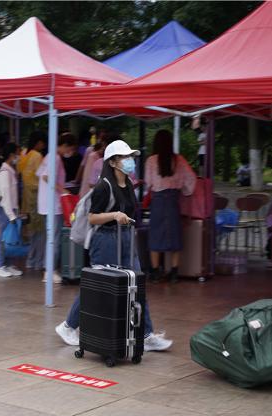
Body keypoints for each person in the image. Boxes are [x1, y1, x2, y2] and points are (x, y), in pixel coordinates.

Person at [55, 140, 173, 352]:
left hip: (125, 238)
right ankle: (68, 326)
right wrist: (115, 215)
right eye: (124, 157)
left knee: (137, 284)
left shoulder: (128, 183)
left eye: (130, 157)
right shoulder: (103, 186)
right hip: (106, 239)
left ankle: (146, 334)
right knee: (97, 286)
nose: (130, 161)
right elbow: (92, 218)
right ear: (113, 162)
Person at [145, 129, 197, 284]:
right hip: (173, 200)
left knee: (155, 234)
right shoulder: (179, 160)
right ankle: (174, 272)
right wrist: (186, 191)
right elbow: (191, 179)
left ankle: (155, 272)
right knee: (174, 234)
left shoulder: (151, 161)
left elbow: (148, 183)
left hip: (158, 200)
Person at [36, 132, 76, 284]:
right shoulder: (56, 158)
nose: (70, 153)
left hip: (47, 203)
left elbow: (39, 174)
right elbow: (46, 177)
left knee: (51, 237)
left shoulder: (49, 156)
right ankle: (50, 271)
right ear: (65, 146)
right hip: (53, 205)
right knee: (54, 238)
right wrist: (63, 190)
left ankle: (49, 269)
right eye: (70, 149)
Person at [0, 143, 23, 279]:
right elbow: (5, 196)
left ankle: (8, 264)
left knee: (11, 239)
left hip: (10, 209)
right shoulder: (5, 173)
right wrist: (11, 215)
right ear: (11, 155)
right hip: (6, 210)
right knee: (5, 239)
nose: (19, 156)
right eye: (18, 153)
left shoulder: (10, 170)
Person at [18, 131, 47, 271]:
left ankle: (31, 260)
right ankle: (38, 261)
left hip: (26, 198)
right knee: (40, 231)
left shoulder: (24, 155)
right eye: (43, 142)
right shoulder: (37, 156)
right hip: (37, 197)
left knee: (32, 231)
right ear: (38, 142)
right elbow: (43, 176)